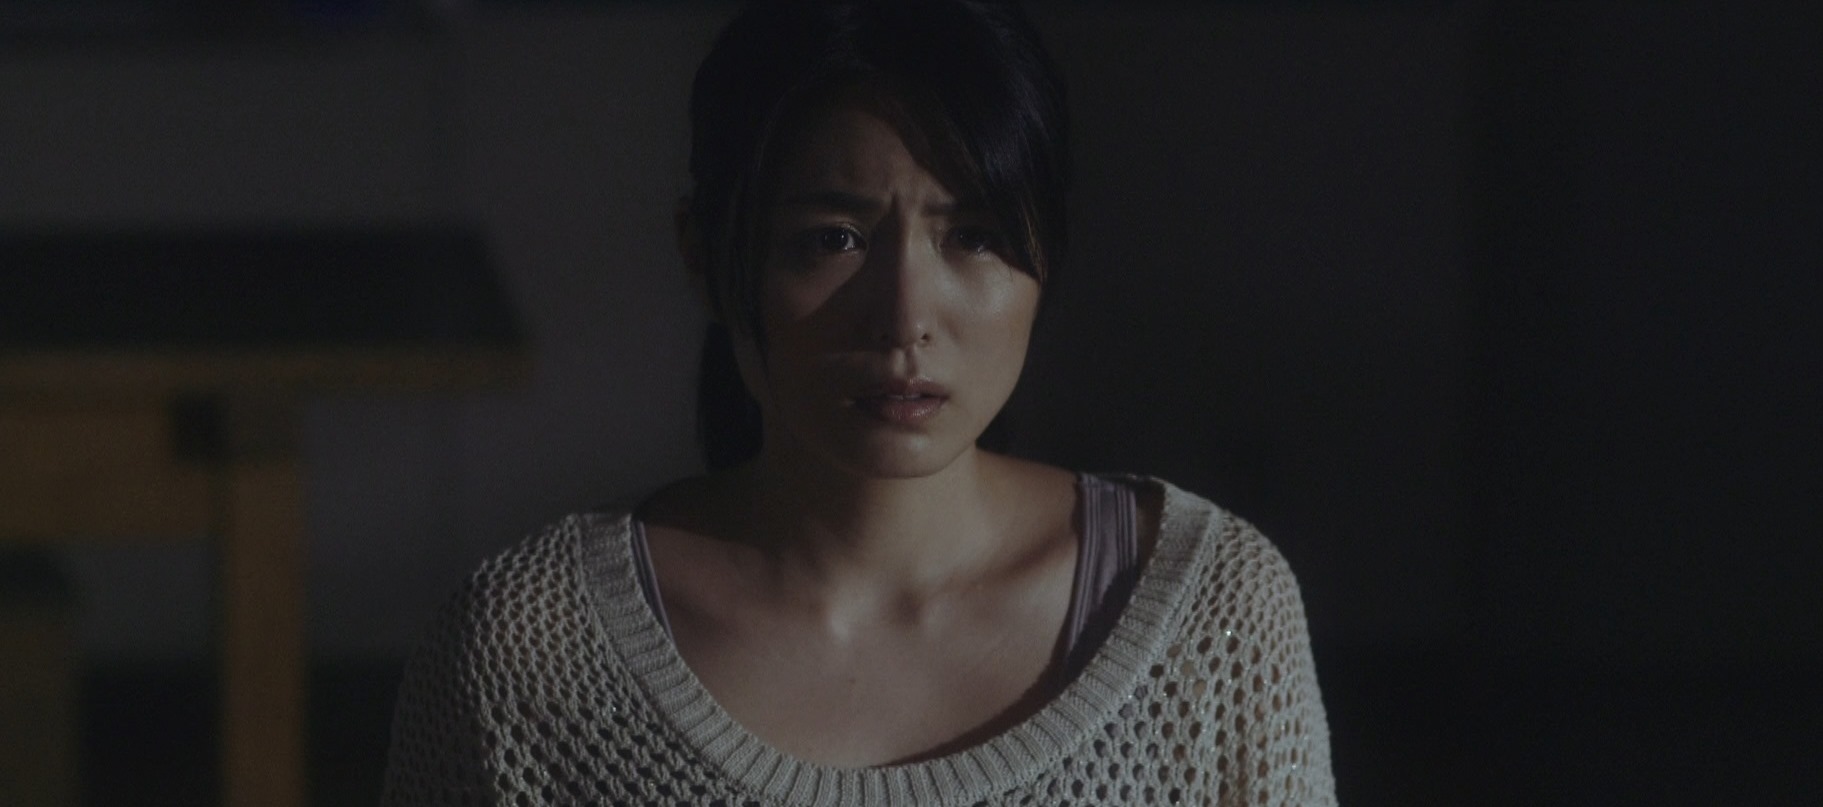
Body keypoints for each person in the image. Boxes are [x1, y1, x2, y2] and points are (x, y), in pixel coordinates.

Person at [380, 1, 1336, 804]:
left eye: (976, 236)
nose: (906, 316)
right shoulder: (525, 655)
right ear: (706, 257)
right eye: (833, 238)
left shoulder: (1208, 616)